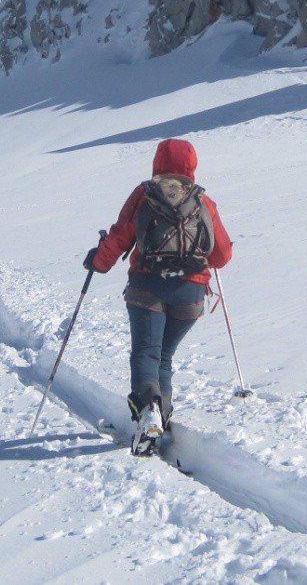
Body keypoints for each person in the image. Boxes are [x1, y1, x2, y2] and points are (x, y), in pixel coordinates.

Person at [84, 138, 233, 450]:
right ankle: (160, 421)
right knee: (162, 355)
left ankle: (148, 413)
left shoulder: (145, 194)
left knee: (146, 354)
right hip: (190, 293)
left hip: (147, 287)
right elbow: (221, 256)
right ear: (192, 165)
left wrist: (99, 262)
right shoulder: (203, 201)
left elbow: (121, 235)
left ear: (157, 162)